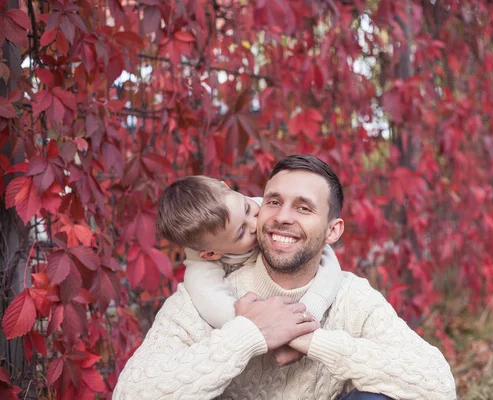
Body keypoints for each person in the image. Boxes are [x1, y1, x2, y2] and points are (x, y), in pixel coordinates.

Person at [113, 155, 456, 400]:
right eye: (274, 201)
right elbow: (130, 394)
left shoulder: (352, 297)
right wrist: (249, 333)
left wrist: (313, 340)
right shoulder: (200, 300)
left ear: (332, 231)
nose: (283, 217)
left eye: (304, 208)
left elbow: (437, 385)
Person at [156, 175, 342, 364]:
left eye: (247, 209)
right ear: (211, 254)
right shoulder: (200, 269)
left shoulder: (266, 209)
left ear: (226, 186)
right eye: (241, 233)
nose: (255, 224)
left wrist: (307, 315)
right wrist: (258, 327)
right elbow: (215, 305)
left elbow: (324, 255)